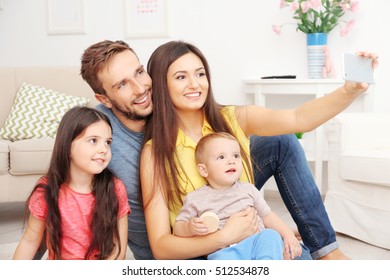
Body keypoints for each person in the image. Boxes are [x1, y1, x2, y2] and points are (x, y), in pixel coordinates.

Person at [80, 39, 375, 260]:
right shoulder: (151, 151)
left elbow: (298, 118)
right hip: (205, 251)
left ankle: (326, 252)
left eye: (200, 74)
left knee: (293, 247)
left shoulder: (233, 118)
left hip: (248, 232)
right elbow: (161, 244)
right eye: (181, 77)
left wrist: (351, 88)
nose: (194, 84)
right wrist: (224, 236)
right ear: (163, 84)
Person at [13, 107, 130, 260]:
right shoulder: (46, 191)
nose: (104, 149)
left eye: (108, 142)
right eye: (93, 141)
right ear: (67, 145)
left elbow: (118, 250)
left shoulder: (116, 188)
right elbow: (29, 241)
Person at [174, 132, 302, 260]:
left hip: (256, 243)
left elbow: (268, 216)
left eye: (236, 155)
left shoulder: (248, 190)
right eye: (221, 157)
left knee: (270, 235)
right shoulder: (195, 199)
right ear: (204, 170)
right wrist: (189, 227)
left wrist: (288, 235)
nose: (231, 161)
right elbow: (177, 228)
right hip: (224, 251)